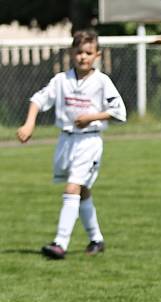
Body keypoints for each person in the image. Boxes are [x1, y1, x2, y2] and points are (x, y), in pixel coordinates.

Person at [16, 29, 126, 259]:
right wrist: (29, 124)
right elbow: (38, 100)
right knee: (82, 190)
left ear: (97, 55)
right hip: (66, 141)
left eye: (88, 53)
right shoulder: (61, 80)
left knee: (73, 187)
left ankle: (60, 243)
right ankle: (96, 239)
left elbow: (118, 111)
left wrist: (91, 117)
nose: (83, 57)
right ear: (71, 53)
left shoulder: (101, 81)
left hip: (89, 142)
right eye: (79, 52)